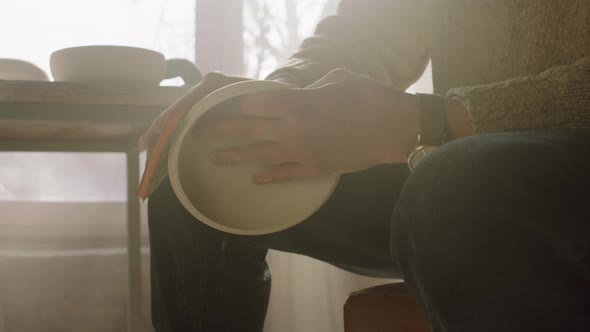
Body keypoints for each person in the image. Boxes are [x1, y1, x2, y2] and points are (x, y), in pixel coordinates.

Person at [140, 1, 590, 331]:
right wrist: (274, 100)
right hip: (459, 166)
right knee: (196, 170)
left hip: (522, 175)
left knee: (454, 183)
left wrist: (431, 120)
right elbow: (365, 34)